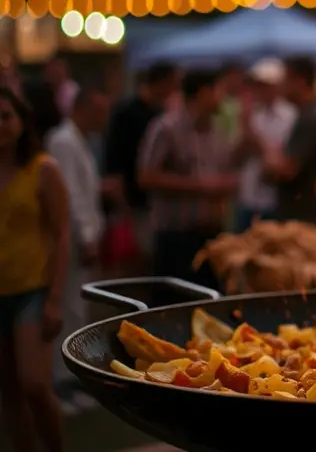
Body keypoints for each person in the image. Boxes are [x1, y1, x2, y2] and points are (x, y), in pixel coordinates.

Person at [0, 86, 69, 452]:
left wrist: (55, 299)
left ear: (22, 121)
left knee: (34, 385)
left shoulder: (43, 169)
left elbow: (62, 234)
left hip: (32, 289)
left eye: (6, 116)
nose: (1, 125)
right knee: (8, 392)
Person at [138, 70, 236, 291]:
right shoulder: (166, 128)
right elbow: (146, 177)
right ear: (203, 92)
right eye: (218, 91)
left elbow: (225, 172)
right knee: (174, 304)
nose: (223, 98)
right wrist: (200, 186)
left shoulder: (215, 130)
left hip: (211, 238)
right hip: (176, 238)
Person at [45, 88, 109, 385]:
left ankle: (71, 375)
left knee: (77, 306)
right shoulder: (64, 141)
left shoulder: (78, 141)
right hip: (69, 237)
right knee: (69, 306)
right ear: (83, 108)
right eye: (99, 110)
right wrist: (86, 236)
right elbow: (71, 194)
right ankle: (63, 377)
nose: (104, 117)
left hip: (78, 235)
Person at [104, 61, 178, 262]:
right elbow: (115, 162)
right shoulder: (126, 113)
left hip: (154, 206)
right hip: (132, 203)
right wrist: (122, 206)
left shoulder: (161, 114)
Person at [265, 57, 316, 229]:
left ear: (300, 80)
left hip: (306, 224)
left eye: (285, 79)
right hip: (305, 220)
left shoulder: (312, 119)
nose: (281, 85)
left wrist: (268, 162)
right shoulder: (307, 115)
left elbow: (287, 169)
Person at [234, 60, 297, 233]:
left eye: (266, 85)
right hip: (247, 198)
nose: (261, 90)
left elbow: (280, 160)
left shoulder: (291, 117)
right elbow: (236, 158)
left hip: (273, 202)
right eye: (258, 85)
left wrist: (252, 134)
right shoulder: (252, 115)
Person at [43, 56, 78, 121]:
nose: (52, 74)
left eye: (56, 70)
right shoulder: (48, 91)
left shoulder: (71, 91)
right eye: (50, 70)